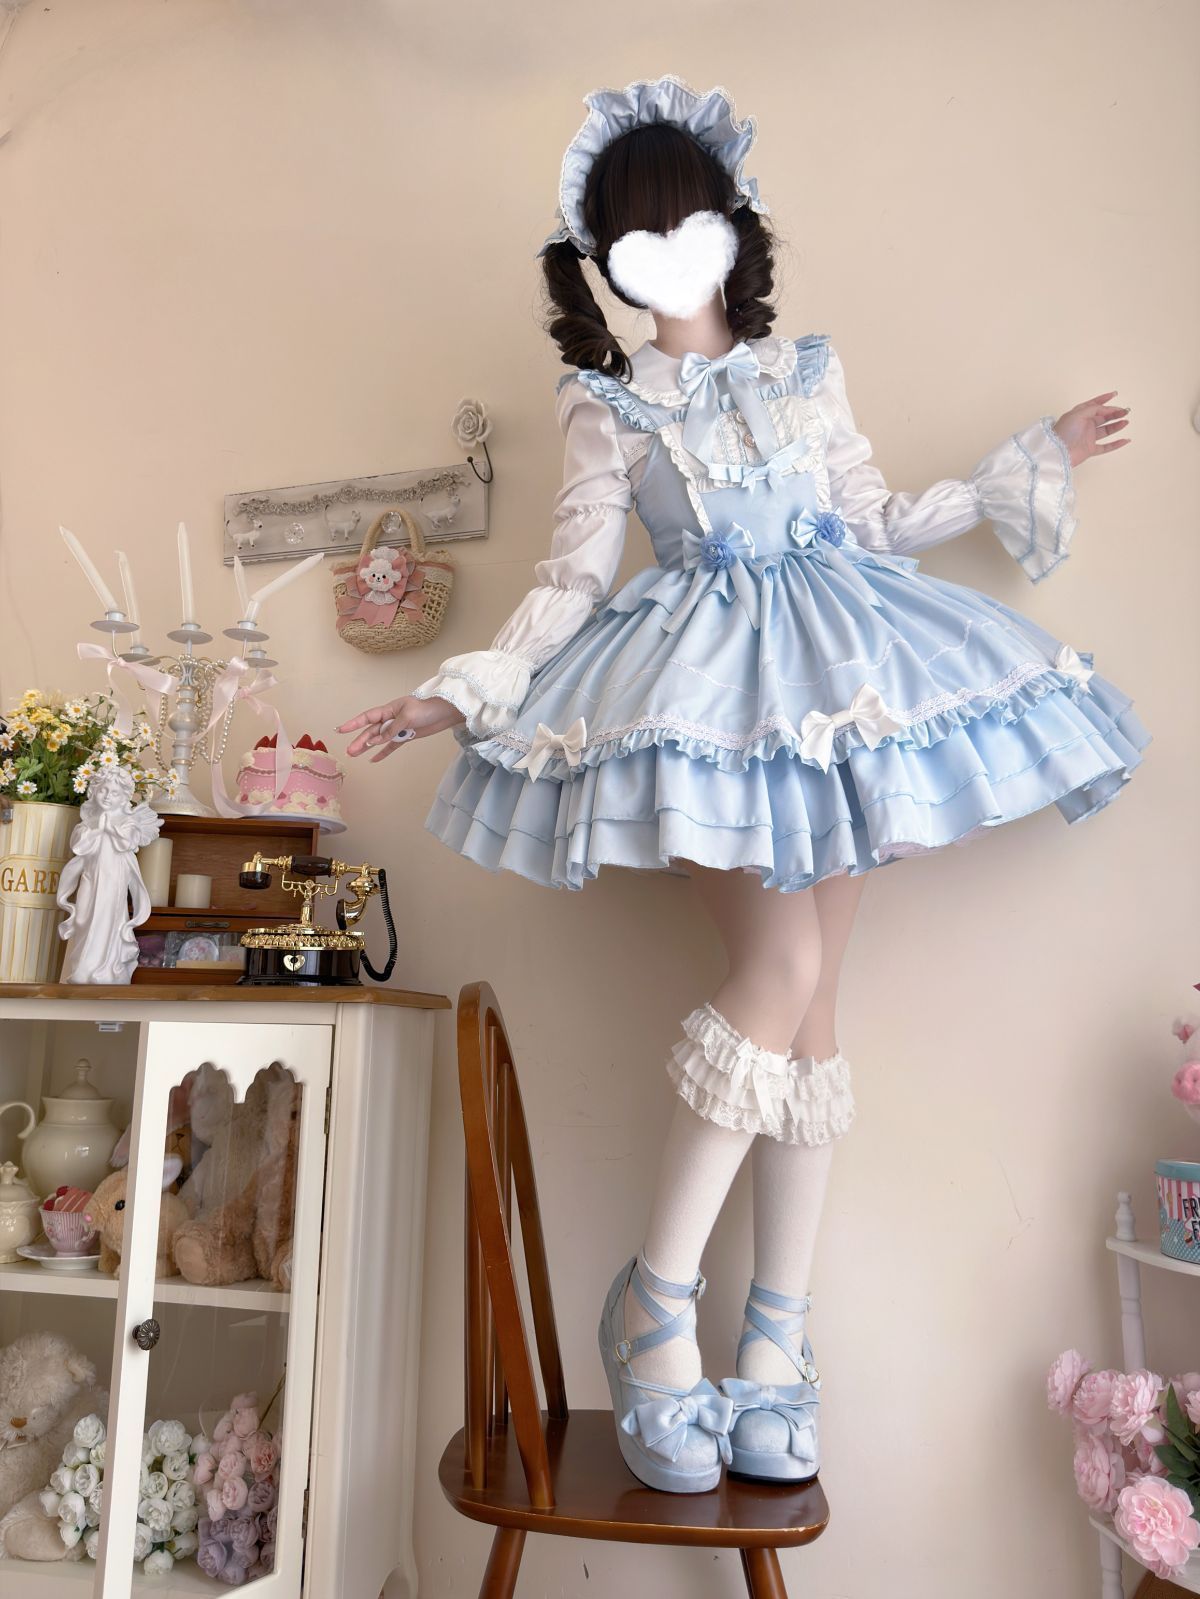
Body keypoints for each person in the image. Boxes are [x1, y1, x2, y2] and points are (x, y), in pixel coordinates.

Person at [338, 75, 1148, 1495]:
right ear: (607, 258)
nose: (667, 252)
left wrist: (1030, 464)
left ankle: (776, 1340)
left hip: (838, 688)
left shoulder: (806, 373)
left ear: (731, 223)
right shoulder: (608, 406)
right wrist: (461, 689)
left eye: (687, 219)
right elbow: (571, 578)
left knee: (817, 1012)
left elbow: (872, 523)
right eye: (635, 233)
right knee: (780, 975)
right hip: (708, 700)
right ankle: (654, 1310)